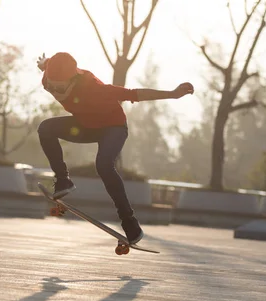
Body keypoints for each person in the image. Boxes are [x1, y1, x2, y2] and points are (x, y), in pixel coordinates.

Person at [36, 52, 193, 245]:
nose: (55, 89)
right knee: (45, 128)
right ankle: (63, 180)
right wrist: (44, 64)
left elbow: (134, 94)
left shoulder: (92, 87)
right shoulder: (48, 79)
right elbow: (49, 65)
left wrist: (172, 94)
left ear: (73, 79)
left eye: (60, 85)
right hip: (85, 126)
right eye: (52, 83)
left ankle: (129, 222)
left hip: (113, 127)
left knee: (103, 165)